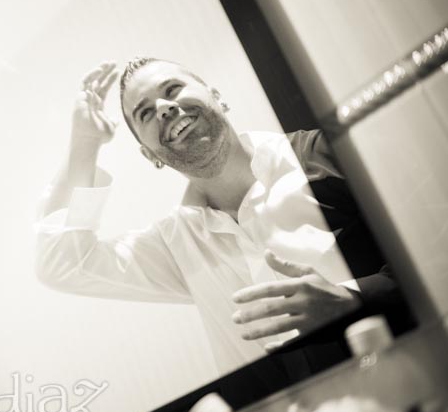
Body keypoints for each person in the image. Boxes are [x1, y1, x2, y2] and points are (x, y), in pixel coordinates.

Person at [35, 58, 388, 373]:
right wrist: (85, 142)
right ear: (150, 155)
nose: (163, 108)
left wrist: (354, 298)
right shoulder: (176, 244)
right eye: (145, 113)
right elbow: (64, 265)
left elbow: (423, 237)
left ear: (217, 96)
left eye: (172, 89)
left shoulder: (322, 154)